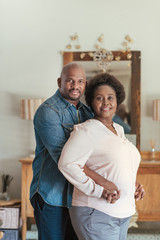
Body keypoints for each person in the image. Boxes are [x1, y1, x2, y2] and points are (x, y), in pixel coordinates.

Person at [29, 63, 120, 240]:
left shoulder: (87, 112)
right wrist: (104, 183)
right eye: (70, 81)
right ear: (59, 82)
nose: (75, 86)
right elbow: (66, 159)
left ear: (85, 84)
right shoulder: (48, 112)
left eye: (80, 81)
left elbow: (99, 153)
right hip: (52, 195)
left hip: (79, 197)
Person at [58, 73, 144, 240]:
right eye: (99, 98)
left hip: (122, 213)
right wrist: (98, 190)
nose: (106, 102)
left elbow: (112, 165)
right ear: (91, 102)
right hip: (96, 212)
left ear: (117, 101)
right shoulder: (86, 130)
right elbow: (67, 164)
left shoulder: (118, 129)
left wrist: (133, 184)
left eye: (110, 97)